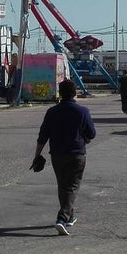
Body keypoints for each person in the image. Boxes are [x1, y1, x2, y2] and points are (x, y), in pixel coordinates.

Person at [34, 79, 97, 236]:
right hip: (77, 154)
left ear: (60, 94)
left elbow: (43, 136)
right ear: (75, 93)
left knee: (63, 185)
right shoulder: (82, 111)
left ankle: (70, 216)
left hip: (57, 155)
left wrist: (37, 155)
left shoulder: (52, 112)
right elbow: (92, 134)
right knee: (72, 186)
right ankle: (62, 219)